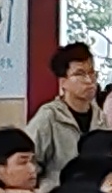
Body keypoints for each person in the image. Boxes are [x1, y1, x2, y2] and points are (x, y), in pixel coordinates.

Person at [28, 42, 104, 176]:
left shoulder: (100, 117)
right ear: (63, 82)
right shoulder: (49, 116)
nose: (89, 80)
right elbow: (30, 162)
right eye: (80, 74)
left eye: (92, 73)